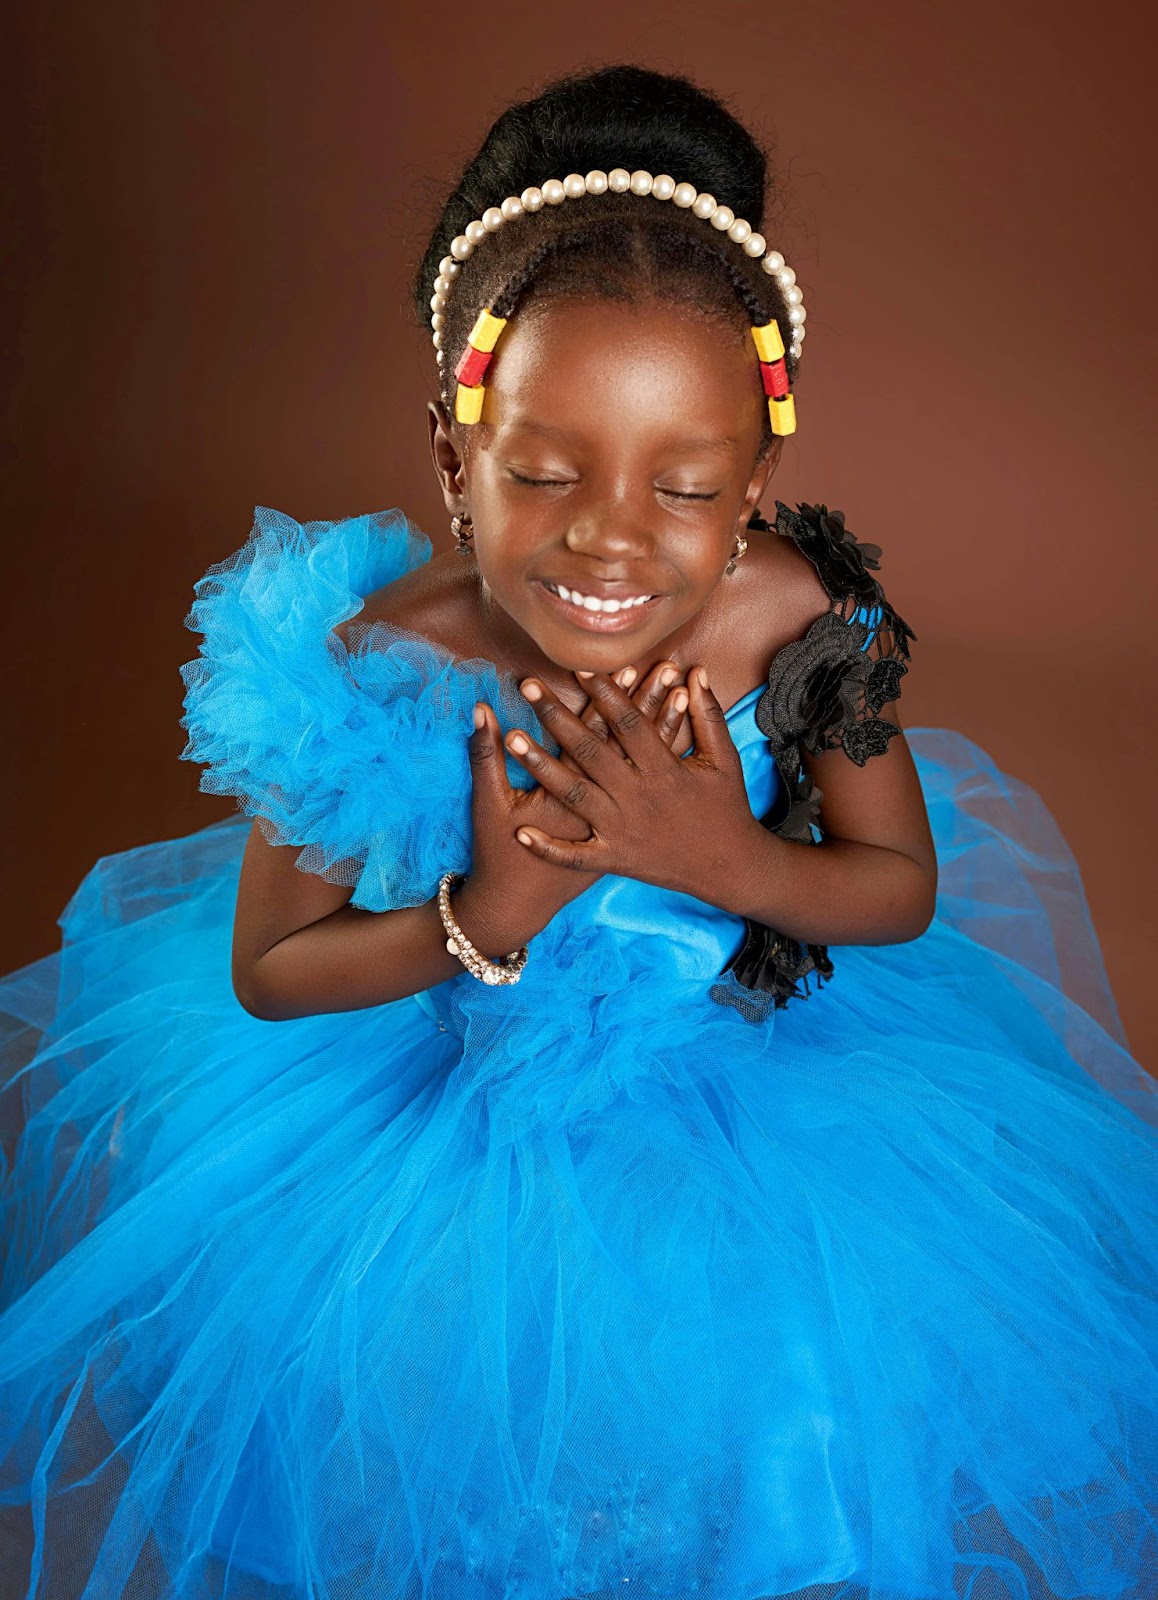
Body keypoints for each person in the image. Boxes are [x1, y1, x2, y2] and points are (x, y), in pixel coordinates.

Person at [0, 62, 1155, 1600]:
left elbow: (894, 893)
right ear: (450, 456)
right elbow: (273, 971)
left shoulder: (811, 626)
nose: (611, 533)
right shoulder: (379, 656)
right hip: (444, 1140)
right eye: (543, 474)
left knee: (740, 1448)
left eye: (682, 484)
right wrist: (486, 913)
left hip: (760, 1112)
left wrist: (716, 856)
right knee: (459, 1472)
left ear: (759, 479)